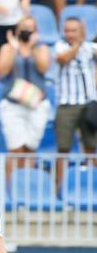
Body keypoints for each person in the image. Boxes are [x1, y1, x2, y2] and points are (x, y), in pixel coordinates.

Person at [0, 15, 50, 171]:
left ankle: (25, 187)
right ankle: (9, 189)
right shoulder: (7, 48)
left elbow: (43, 68)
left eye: (30, 28)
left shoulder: (41, 48)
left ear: (36, 31)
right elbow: (2, 70)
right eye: (23, 28)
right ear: (17, 30)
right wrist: (14, 48)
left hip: (36, 104)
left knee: (30, 149)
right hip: (13, 104)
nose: (27, 31)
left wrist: (32, 47)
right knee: (15, 149)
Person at [53, 16, 97, 164]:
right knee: (63, 149)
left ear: (82, 31)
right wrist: (77, 44)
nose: (70, 34)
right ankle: (59, 186)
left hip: (89, 104)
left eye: (73, 30)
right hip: (67, 104)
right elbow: (63, 58)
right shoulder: (60, 46)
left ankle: (93, 182)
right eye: (67, 30)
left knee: (91, 147)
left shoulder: (90, 47)